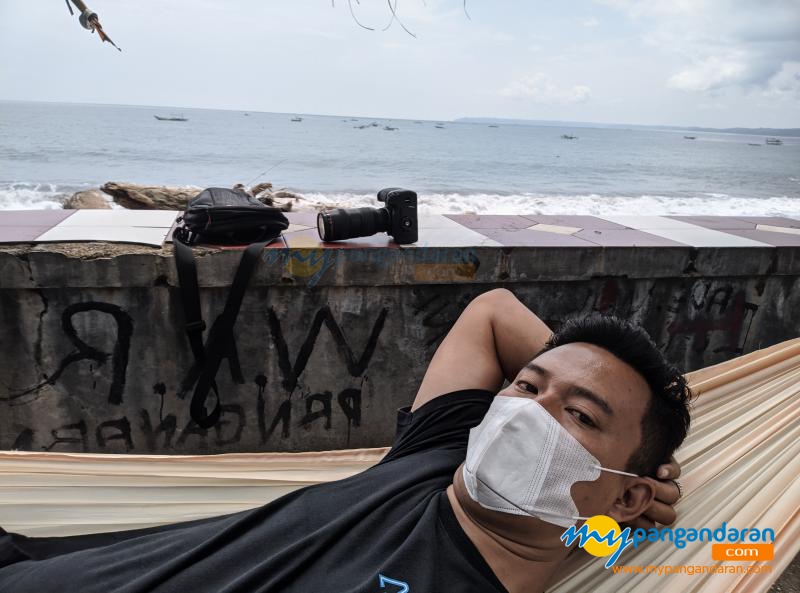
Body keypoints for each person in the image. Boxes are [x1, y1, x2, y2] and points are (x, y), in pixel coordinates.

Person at [0, 288, 688, 593]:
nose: (528, 414)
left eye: (581, 416)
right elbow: (492, 311)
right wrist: (577, 378)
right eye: (527, 385)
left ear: (628, 492)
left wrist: (611, 516)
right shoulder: (443, 453)